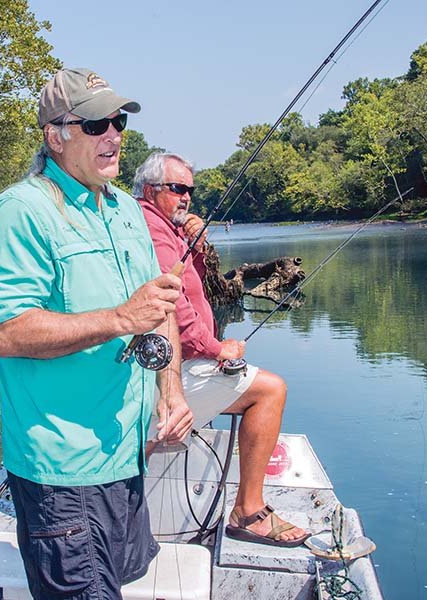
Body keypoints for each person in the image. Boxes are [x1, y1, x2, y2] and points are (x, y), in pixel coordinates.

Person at [0, 69, 193, 600]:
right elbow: (8, 330)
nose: (114, 134)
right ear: (56, 135)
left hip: (127, 455)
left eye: (117, 120)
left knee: (122, 581)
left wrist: (172, 393)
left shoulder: (123, 208)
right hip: (61, 473)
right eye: (96, 123)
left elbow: (159, 303)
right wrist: (121, 318)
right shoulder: (21, 212)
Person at [133, 152, 310, 547]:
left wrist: (194, 243)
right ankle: (248, 512)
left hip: (176, 362)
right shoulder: (151, 230)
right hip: (163, 374)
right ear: (150, 190)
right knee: (270, 390)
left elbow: (198, 285)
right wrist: (216, 348)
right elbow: (174, 309)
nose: (187, 199)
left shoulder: (163, 230)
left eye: (190, 192)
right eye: (177, 189)